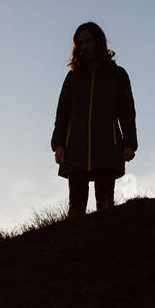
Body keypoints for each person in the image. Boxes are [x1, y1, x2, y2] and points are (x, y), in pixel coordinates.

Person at [51, 22, 138, 218]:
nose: (85, 47)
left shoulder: (117, 74)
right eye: (80, 43)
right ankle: (75, 246)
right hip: (75, 148)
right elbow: (62, 113)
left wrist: (129, 143)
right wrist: (58, 144)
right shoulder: (72, 78)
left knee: (105, 207)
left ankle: (105, 245)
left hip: (107, 147)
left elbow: (127, 111)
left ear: (99, 42)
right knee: (76, 209)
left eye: (89, 41)